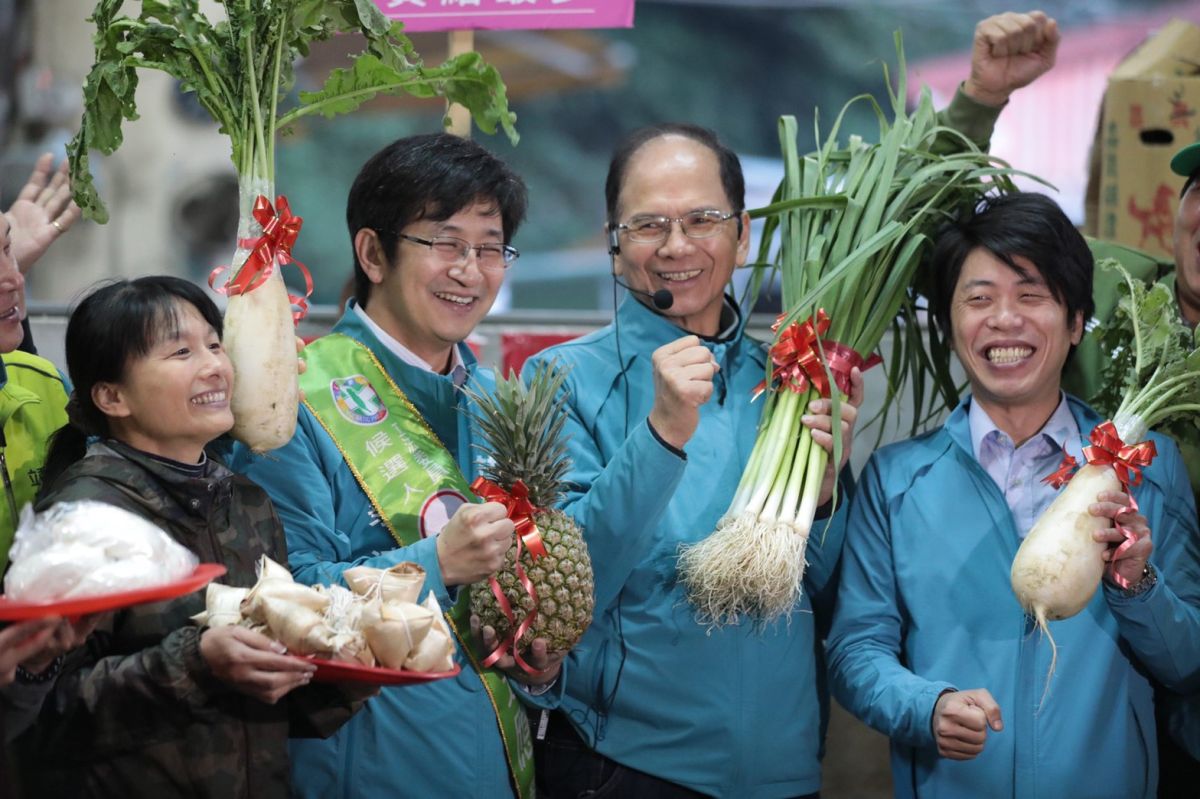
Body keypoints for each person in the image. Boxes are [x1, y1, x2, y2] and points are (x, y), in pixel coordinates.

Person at [519, 10, 1058, 798]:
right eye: (648, 224)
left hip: (783, 773)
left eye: (704, 219)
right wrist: (662, 435)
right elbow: (565, 592)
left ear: (743, 236)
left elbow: (821, 591)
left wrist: (829, 486)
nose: (677, 245)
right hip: (624, 768)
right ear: (612, 241)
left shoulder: (792, 374)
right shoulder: (559, 379)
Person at [826, 192, 1200, 799]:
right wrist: (927, 706)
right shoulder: (897, 480)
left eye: (1031, 296)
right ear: (949, 326)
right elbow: (854, 651)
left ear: (1076, 322)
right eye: (978, 299)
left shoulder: (1147, 470)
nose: (1004, 320)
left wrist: (1140, 587)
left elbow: (1188, 665)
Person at [233, 132, 562, 799]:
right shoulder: (295, 398)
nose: (470, 270)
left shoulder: (496, 401)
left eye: (490, 246)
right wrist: (437, 563)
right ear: (373, 253)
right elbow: (281, 602)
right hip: (370, 769)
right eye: (444, 242)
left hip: (494, 765)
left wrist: (538, 649)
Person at [15, 276, 365, 797]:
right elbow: (39, 720)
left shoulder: (248, 501)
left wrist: (350, 670)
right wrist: (197, 663)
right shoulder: (84, 518)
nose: (215, 366)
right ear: (112, 396)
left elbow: (270, 707)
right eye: (181, 351)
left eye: (215, 344)